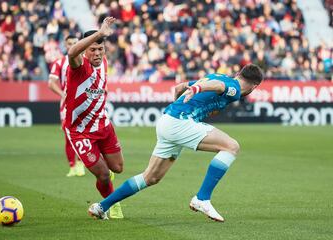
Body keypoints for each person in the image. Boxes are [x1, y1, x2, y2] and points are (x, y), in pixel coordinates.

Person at [89, 64, 264, 222]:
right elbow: (218, 87)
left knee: (150, 177)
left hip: (167, 120)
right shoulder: (235, 88)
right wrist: (197, 89)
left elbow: (180, 87)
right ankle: (202, 198)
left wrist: (184, 98)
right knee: (231, 146)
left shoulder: (218, 75)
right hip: (181, 122)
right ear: (254, 86)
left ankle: (101, 207)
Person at [64, 17, 124, 219]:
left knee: (118, 168)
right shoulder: (78, 67)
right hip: (80, 132)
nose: (97, 53)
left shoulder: (104, 63)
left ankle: (106, 177)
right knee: (104, 175)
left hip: (103, 125)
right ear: (85, 51)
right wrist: (100, 33)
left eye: (101, 49)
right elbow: (72, 52)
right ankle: (111, 204)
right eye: (93, 50)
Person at [48, 35, 85, 177]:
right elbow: (51, 83)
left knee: (84, 134)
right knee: (69, 135)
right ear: (66, 45)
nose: (72, 46)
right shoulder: (60, 62)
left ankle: (81, 163)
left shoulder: (86, 60)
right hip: (67, 105)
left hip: (84, 103)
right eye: (70, 43)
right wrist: (63, 94)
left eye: (75, 43)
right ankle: (72, 166)